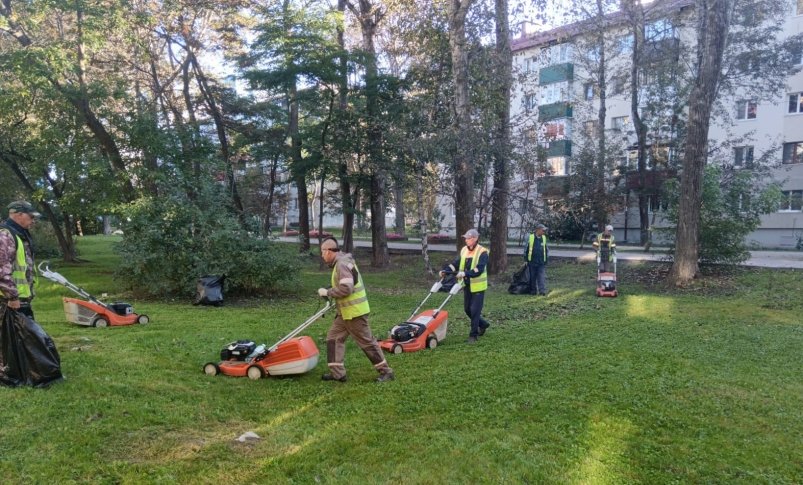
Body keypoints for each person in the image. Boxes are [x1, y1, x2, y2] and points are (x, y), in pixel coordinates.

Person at [317, 237, 394, 383]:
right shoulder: (342, 262)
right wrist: (331, 289)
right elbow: (345, 284)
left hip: (355, 313)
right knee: (333, 338)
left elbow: (347, 288)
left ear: (328, 251)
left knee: (367, 343)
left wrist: (327, 293)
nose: (321, 255)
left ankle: (386, 372)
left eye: (322, 252)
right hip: (345, 314)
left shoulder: (341, 265)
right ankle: (337, 374)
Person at [441, 228, 490, 344]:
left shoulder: (483, 252)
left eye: (469, 238)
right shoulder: (464, 250)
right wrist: (446, 270)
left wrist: (465, 273)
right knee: (467, 309)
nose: (466, 240)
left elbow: (479, 269)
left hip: (478, 286)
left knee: (475, 310)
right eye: (466, 238)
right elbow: (456, 264)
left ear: (475, 239)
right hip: (467, 285)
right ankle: (483, 324)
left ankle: (473, 335)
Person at [0, 201, 40, 319]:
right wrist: (12, 297)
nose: (33, 220)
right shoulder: (5, 236)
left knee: (27, 336)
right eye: (31, 216)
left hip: (19, 300)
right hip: (8, 302)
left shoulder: (20, 234)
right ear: (19, 214)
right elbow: (2, 269)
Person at [523, 223, 549, 296]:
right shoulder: (530, 237)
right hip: (532, 262)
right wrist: (525, 260)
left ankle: (542, 291)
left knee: (541, 277)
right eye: (543, 230)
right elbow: (526, 249)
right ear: (538, 230)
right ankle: (533, 291)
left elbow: (546, 249)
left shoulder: (543, 238)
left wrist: (546, 259)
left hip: (541, 262)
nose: (544, 232)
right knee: (532, 277)